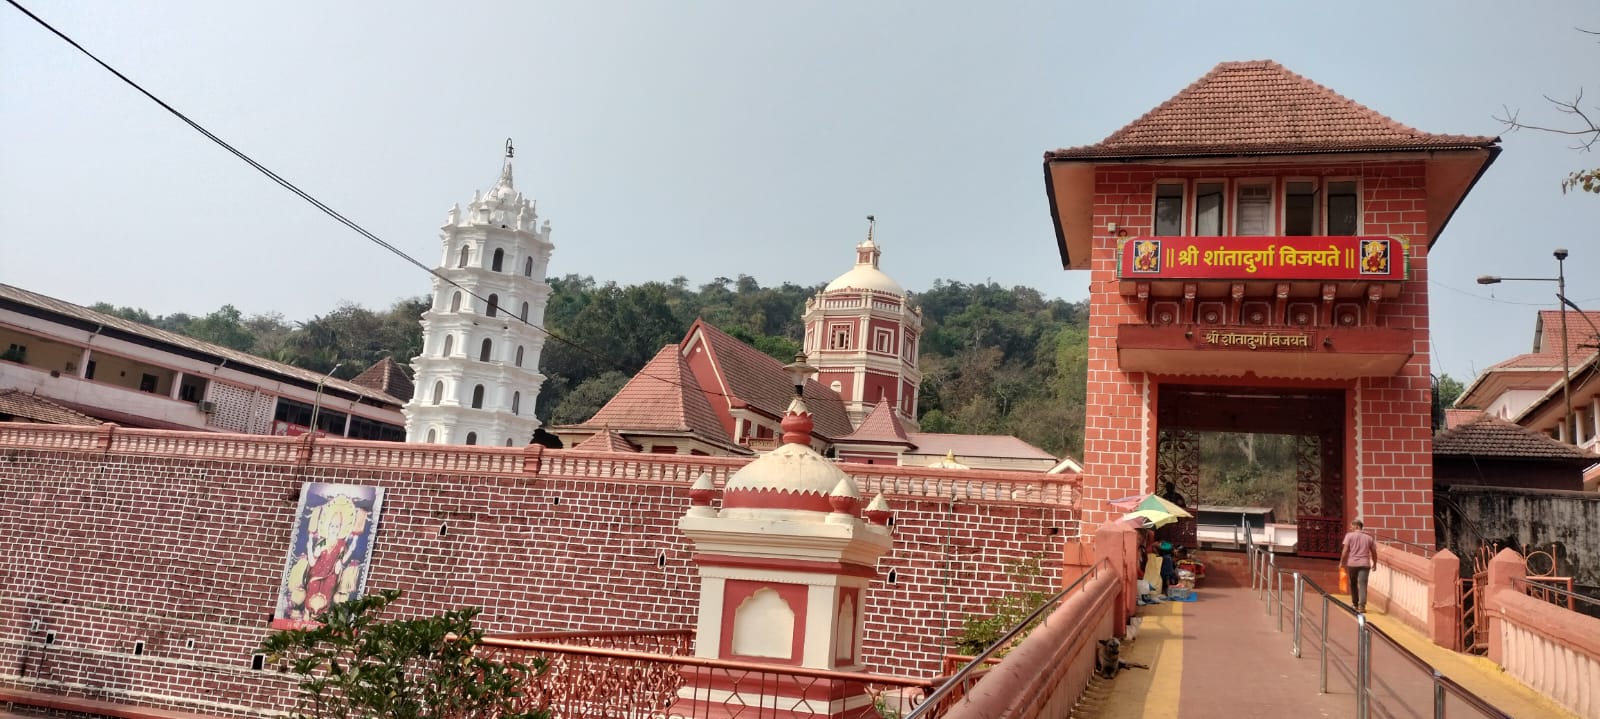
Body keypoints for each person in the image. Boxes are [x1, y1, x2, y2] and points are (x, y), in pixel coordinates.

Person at [1339, 519, 1378, 612]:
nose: (1350, 528)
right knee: (1363, 584)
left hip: (1352, 563)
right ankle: (1362, 606)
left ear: (1357, 526)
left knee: (1353, 583)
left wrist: (1341, 561)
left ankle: (1355, 604)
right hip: (1365, 563)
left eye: (1352, 526)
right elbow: (1374, 552)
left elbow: (1345, 550)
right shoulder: (1369, 538)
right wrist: (1375, 563)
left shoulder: (1349, 536)